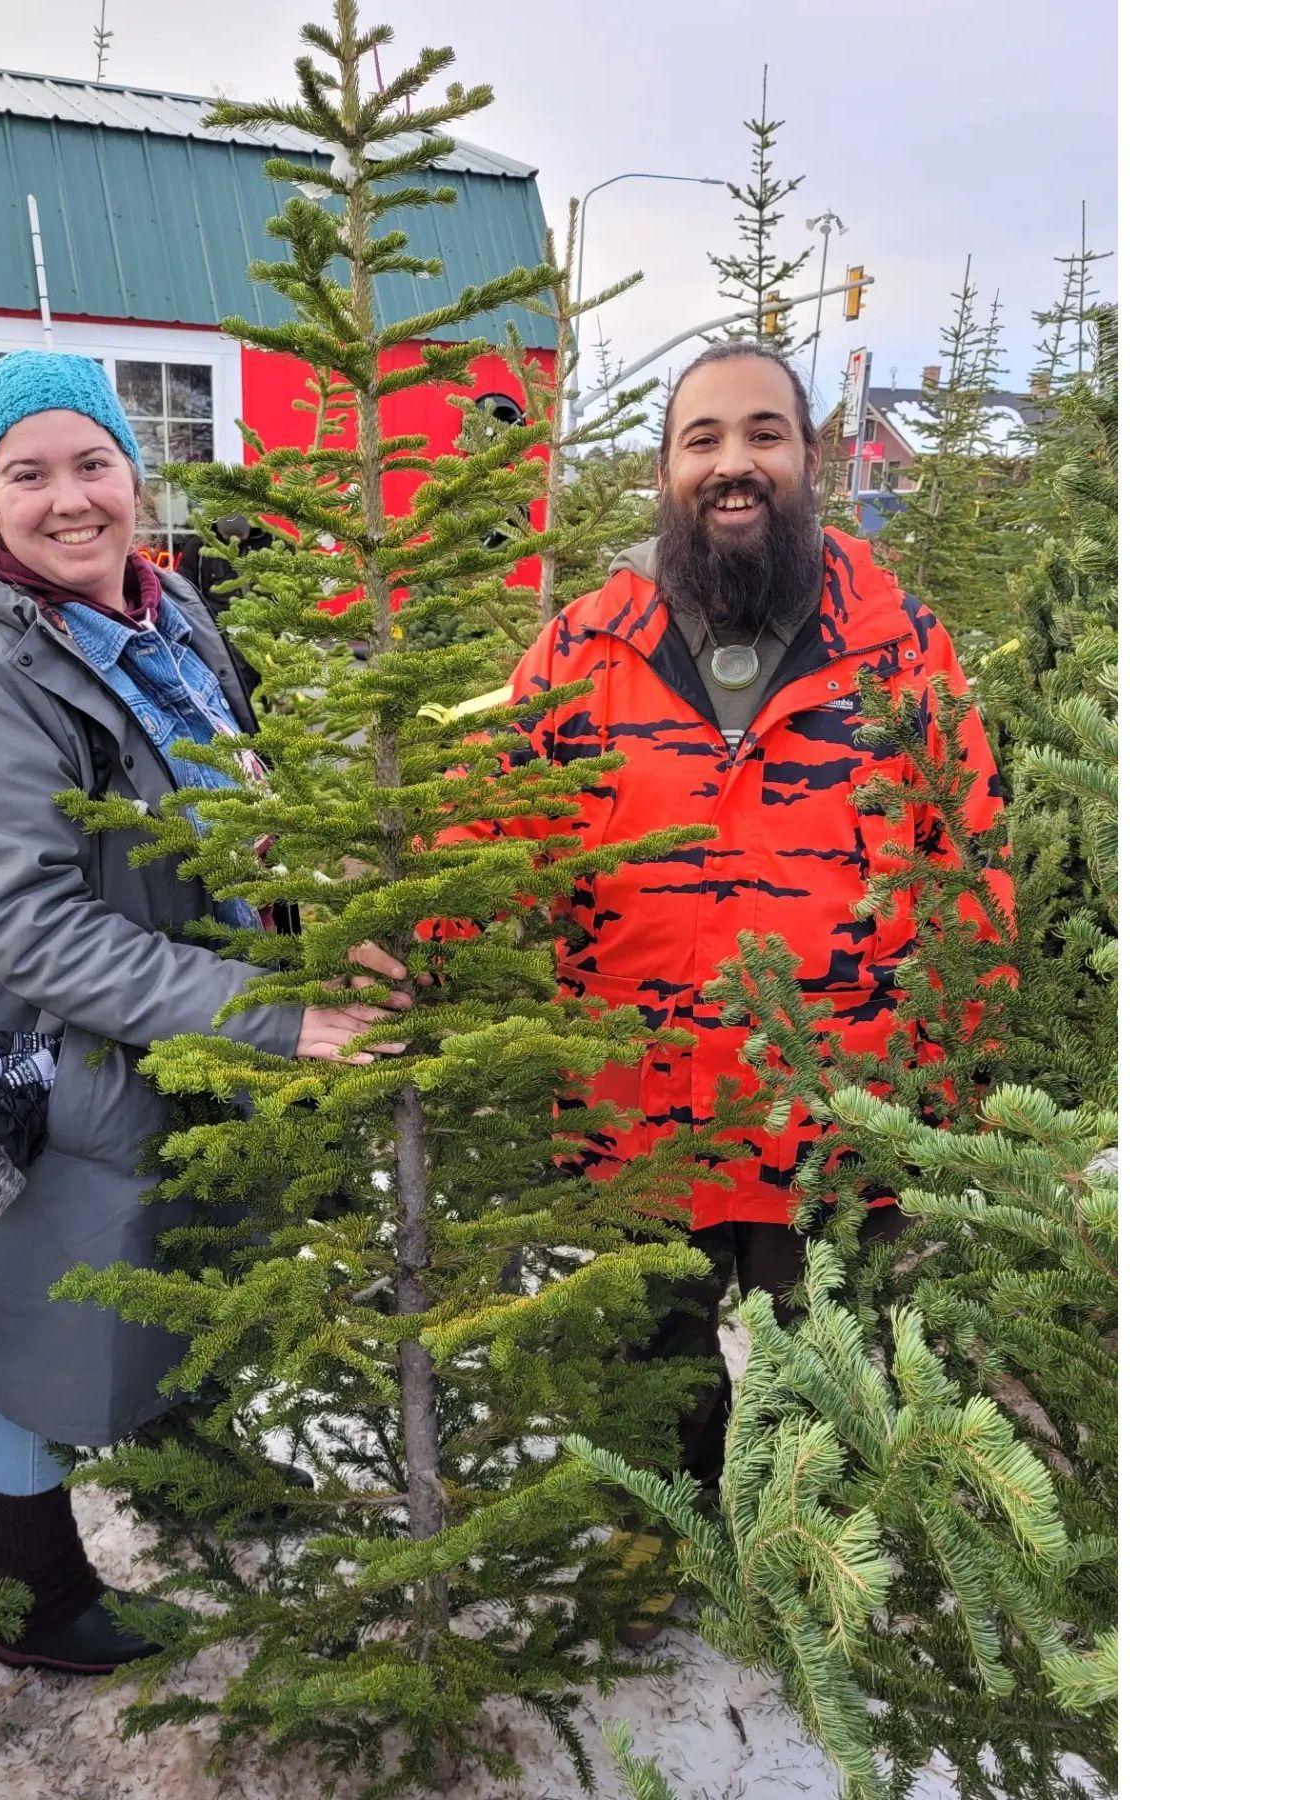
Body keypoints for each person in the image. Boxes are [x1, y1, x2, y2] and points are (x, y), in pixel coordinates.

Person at [448, 342, 1009, 1598]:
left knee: (830, 1352)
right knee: (656, 1354)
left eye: (763, 433)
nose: (732, 462)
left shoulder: (903, 652)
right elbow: (479, 836)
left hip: (839, 1106)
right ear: (665, 471)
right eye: (702, 439)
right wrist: (370, 935)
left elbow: (972, 869)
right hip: (640, 1108)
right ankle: (660, 1542)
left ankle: (817, 1560)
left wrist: (959, 1087)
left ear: (809, 458)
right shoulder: (582, 650)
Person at [0, 351, 411, 1675]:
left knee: (170, 1297)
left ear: (134, 474)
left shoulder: (166, 625)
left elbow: (228, 814)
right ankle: (39, 1608)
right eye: (30, 474)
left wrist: (322, 927)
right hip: (46, 1080)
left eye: (93, 463)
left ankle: (191, 1487)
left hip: (174, 1051)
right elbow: (36, 929)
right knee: (39, 1344)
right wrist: (280, 1019)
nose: (69, 499)